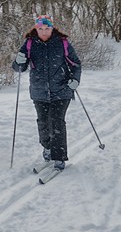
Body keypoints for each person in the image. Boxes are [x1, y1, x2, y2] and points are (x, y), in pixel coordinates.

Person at [10, 14, 82, 169]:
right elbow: (19, 68)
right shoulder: (30, 43)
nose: (44, 31)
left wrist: (75, 80)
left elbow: (75, 63)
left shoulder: (62, 43)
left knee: (57, 121)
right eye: (40, 28)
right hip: (39, 91)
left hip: (62, 90)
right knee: (43, 123)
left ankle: (59, 157)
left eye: (47, 28)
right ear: (36, 28)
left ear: (52, 28)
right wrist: (18, 61)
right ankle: (47, 147)